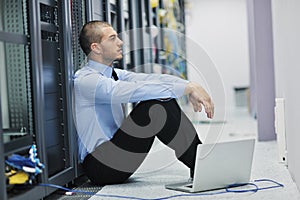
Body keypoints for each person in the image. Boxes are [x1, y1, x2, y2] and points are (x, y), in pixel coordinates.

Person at [73, 20, 214, 185]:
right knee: (155, 107)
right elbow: (133, 91)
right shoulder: (86, 80)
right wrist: (187, 89)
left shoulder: (114, 74)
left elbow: (152, 79)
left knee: (163, 99)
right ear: (95, 47)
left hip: (116, 155)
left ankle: (201, 164)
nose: (120, 42)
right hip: (100, 166)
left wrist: (189, 85)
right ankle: (203, 166)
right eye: (112, 38)